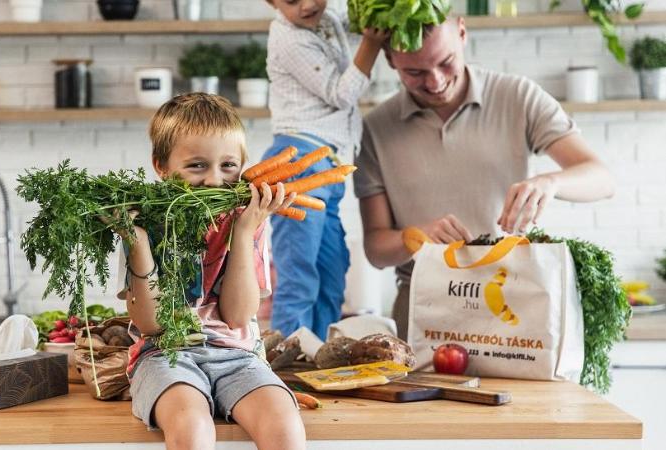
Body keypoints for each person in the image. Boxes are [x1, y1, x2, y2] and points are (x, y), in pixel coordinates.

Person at [354, 17, 615, 341]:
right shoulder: (375, 129)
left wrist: (550, 183)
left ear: (462, 33)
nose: (435, 82)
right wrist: (413, 236)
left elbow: (601, 178)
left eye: (445, 62)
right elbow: (376, 249)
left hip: (510, 303)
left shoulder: (517, 96)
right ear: (390, 59)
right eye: (415, 73)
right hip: (421, 311)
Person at [116, 93, 306, 450]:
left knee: (285, 427)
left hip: (239, 356)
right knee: (191, 427)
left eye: (228, 165)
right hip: (165, 356)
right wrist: (136, 241)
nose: (215, 180)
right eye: (197, 166)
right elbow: (151, 325)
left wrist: (244, 232)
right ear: (161, 166)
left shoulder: (248, 220)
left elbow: (237, 316)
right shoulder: (143, 222)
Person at [263, 0, 389, 339]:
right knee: (299, 277)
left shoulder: (329, 16)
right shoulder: (288, 39)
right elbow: (342, 93)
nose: (307, 4)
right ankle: (288, 360)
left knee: (332, 274)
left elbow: (356, 20)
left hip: (328, 166)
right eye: (291, 0)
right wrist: (372, 43)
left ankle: (318, 353)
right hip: (298, 164)